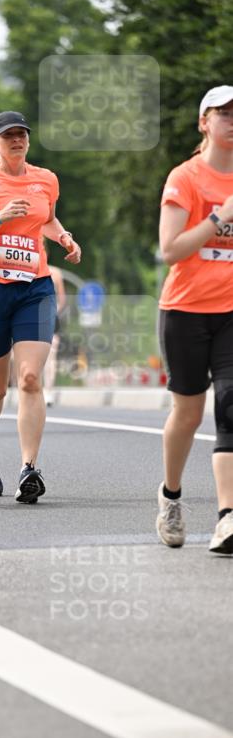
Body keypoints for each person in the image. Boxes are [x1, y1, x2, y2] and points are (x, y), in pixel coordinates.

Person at [0, 111, 81, 502]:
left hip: (34, 288)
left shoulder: (46, 179)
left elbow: (49, 220)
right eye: (8, 136)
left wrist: (64, 238)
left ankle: (28, 468)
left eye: (22, 134)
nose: (17, 141)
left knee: (29, 378)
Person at [156, 85, 233, 555]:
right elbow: (171, 250)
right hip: (184, 310)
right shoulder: (186, 178)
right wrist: (219, 219)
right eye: (223, 113)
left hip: (231, 314)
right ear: (203, 122)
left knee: (230, 405)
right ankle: (171, 496)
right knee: (188, 412)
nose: (232, 120)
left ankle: (227, 517)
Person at [44, 263, 67, 406]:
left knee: (51, 357)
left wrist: (51, 312)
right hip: (29, 317)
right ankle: (39, 391)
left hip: (50, 317)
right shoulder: (27, 266)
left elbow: (62, 299)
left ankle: (48, 391)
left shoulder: (55, 272)